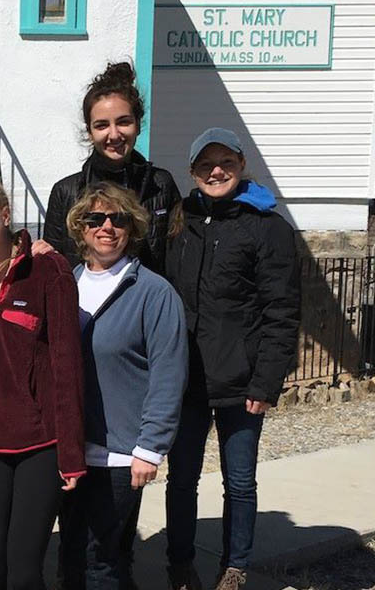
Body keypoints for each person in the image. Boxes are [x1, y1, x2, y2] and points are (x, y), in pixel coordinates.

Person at [164, 128, 300, 590]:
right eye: (205, 165)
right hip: (186, 381)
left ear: (241, 165)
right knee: (181, 480)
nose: (215, 171)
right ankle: (180, 563)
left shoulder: (267, 227)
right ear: (192, 172)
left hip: (241, 383)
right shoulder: (179, 221)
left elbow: (281, 312)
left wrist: (266, 383)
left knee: (239, 482)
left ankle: (235, 565)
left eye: (225, 162)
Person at [0, 177, 86, 590]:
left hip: (38, 444)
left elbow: (67, 363)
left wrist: (71, 452)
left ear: (6, 215)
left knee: (25, 572)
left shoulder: (49, 269)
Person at [57, 182, 188, 590]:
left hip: (120, 455)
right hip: (72, 452)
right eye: (96, 218)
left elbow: (169, 374)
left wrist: (150, 448)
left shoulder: (153, 292)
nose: (107, 227)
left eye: (119, 219)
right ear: (80, 228)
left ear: (133, 227)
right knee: (69, 554)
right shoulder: (64, 284)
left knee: (103, 559)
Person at [43, 62, 180, 274]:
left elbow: (178, 260)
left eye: (123, 122)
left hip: (148, 304)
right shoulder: (66, 192)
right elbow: (52, 269)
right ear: (89, 131)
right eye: (102, 125)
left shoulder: (161, 185)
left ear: (138, 123)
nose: (114, 134)